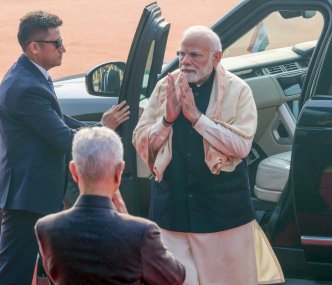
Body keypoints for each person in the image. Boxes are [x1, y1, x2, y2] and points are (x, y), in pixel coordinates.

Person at [133, 26, 284, 285]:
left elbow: (241, 146)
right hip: (171, 213)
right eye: (181, 55)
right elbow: (141, 140)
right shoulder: (164, 88)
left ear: (216, 58)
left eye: (195, 55)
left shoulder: (239, 91)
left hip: (222, 216)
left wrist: (197, 119)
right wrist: (167, 120)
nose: (185, 62)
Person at [0, 10, 130, 284]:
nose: (64, 48)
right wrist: (104, 129)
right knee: (14, 271)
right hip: (27, 197)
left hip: (36, 189)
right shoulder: (24, 87)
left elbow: (58, 119)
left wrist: (98, 124)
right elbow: (64, 138)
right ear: (34, 48)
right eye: (56, 43)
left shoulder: (32, 74)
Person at [34, 127, 185, 285]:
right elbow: (175, 277)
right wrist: (126, 218)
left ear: (73, 171)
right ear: (119, 171)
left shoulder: (47, 228)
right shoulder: (141, 232)